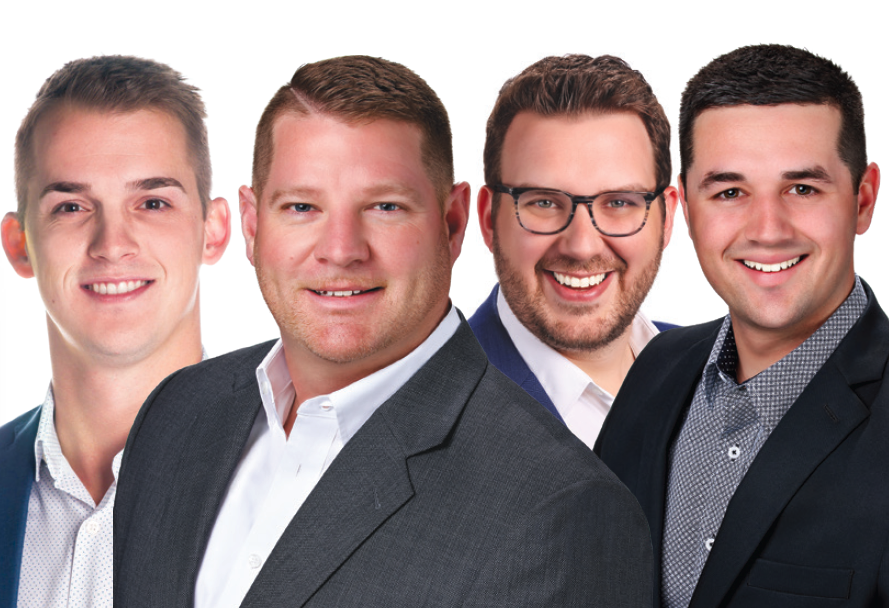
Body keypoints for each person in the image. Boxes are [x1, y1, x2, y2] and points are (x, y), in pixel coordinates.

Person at [114, 55, 652, 608]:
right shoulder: (175, 415)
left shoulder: (562, 511)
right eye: (302, 206)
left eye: (385, 207)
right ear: (252, 225)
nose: (341, 250)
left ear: (452, 223)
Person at [595, 44, 888, 606]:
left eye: (802, 188)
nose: (767, 229)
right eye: (730, 192)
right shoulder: (654, 366)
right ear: (684, 207)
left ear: (863, 199)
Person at [0, 56, 230, 608]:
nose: (112, 242)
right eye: (71, 205)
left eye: (152, 202)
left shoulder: (310, 486)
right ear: (19, 243)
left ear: (213, 230)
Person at [469, 55, 678, 448]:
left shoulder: (719, 373)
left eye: (618, 203)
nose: (581, 246)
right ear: (488, 219)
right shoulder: (422, 409)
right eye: (544, 203)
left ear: (666, 219)